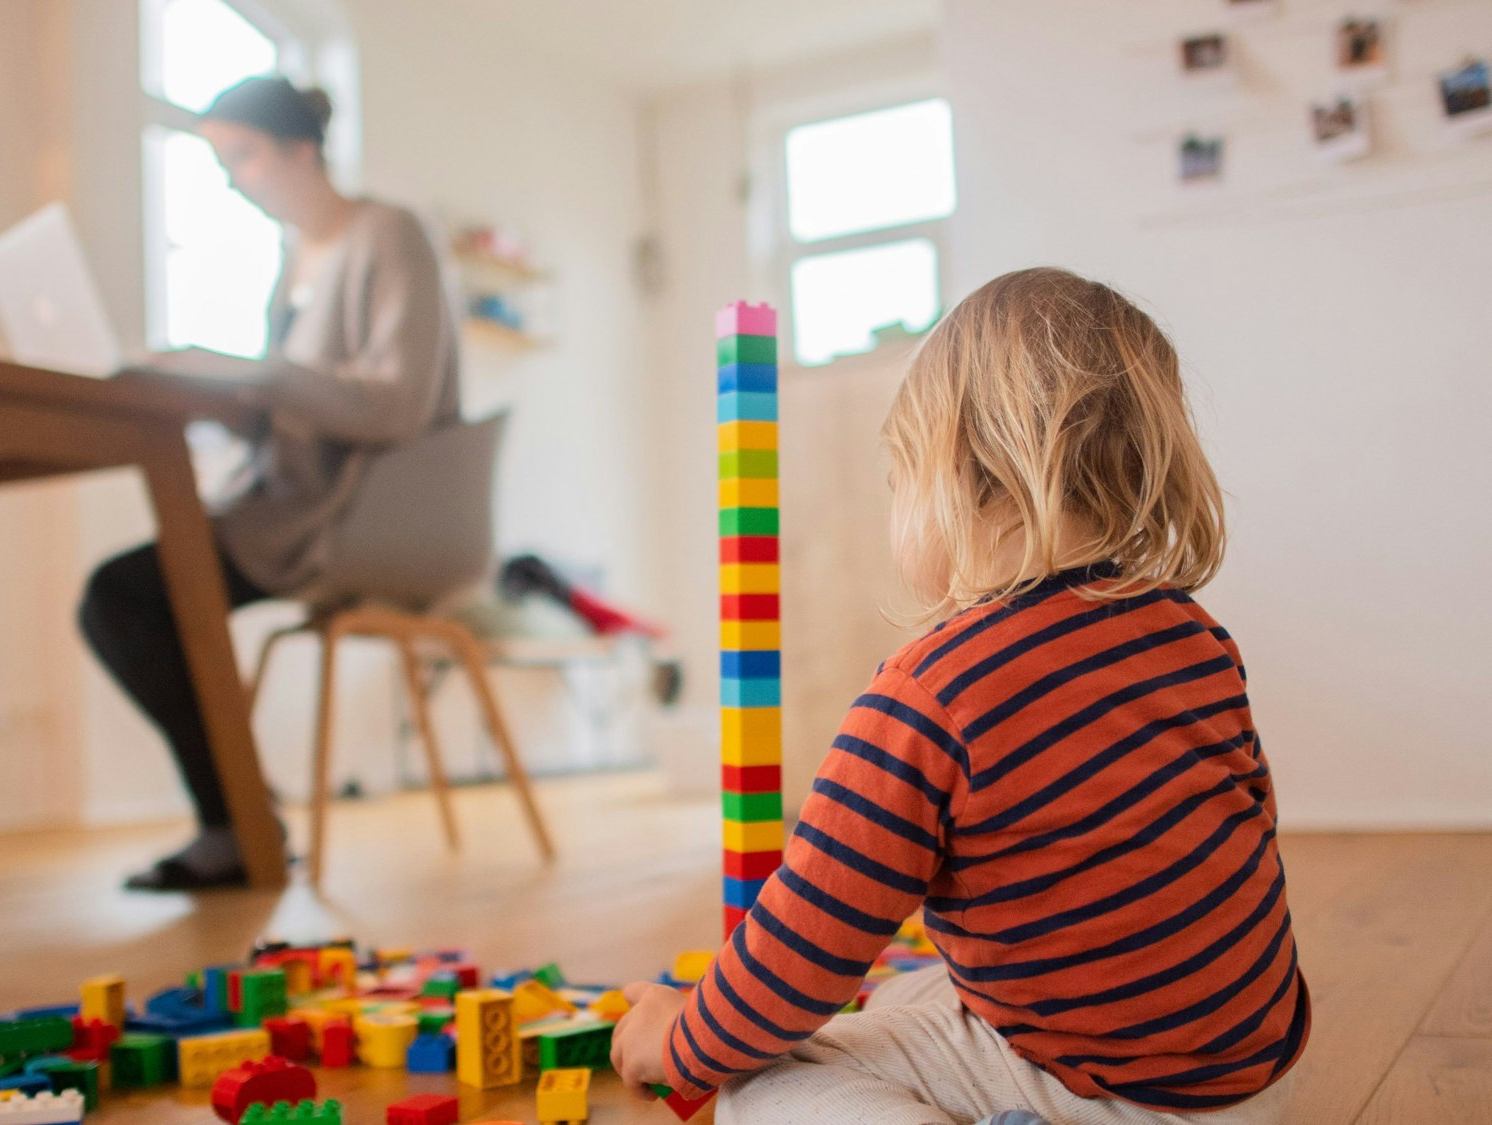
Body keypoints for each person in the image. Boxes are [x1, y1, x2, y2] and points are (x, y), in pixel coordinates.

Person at [610, 268, 1307, 1124]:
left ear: (958, 475)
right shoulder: (1190, 635)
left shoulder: (931, 690)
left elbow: (806, 945)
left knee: (766, 1086)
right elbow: (1246, 826)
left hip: (1108, 1097)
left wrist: (681, 1037)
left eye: (899, 476)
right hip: (1256, 1087)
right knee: (909, 990)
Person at [79, 76, 459, 891]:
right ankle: (238, 811)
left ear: (300, 149)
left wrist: (253, 374)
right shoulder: (292, 265)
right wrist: (215, 397)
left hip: (350, 513)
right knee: (126, 595)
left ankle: (233, 820)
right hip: (286, 502)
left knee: (125, 594)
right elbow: (288, 410)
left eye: (242, 156)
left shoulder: (388, 234)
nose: (232, 178)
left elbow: (396, 404)